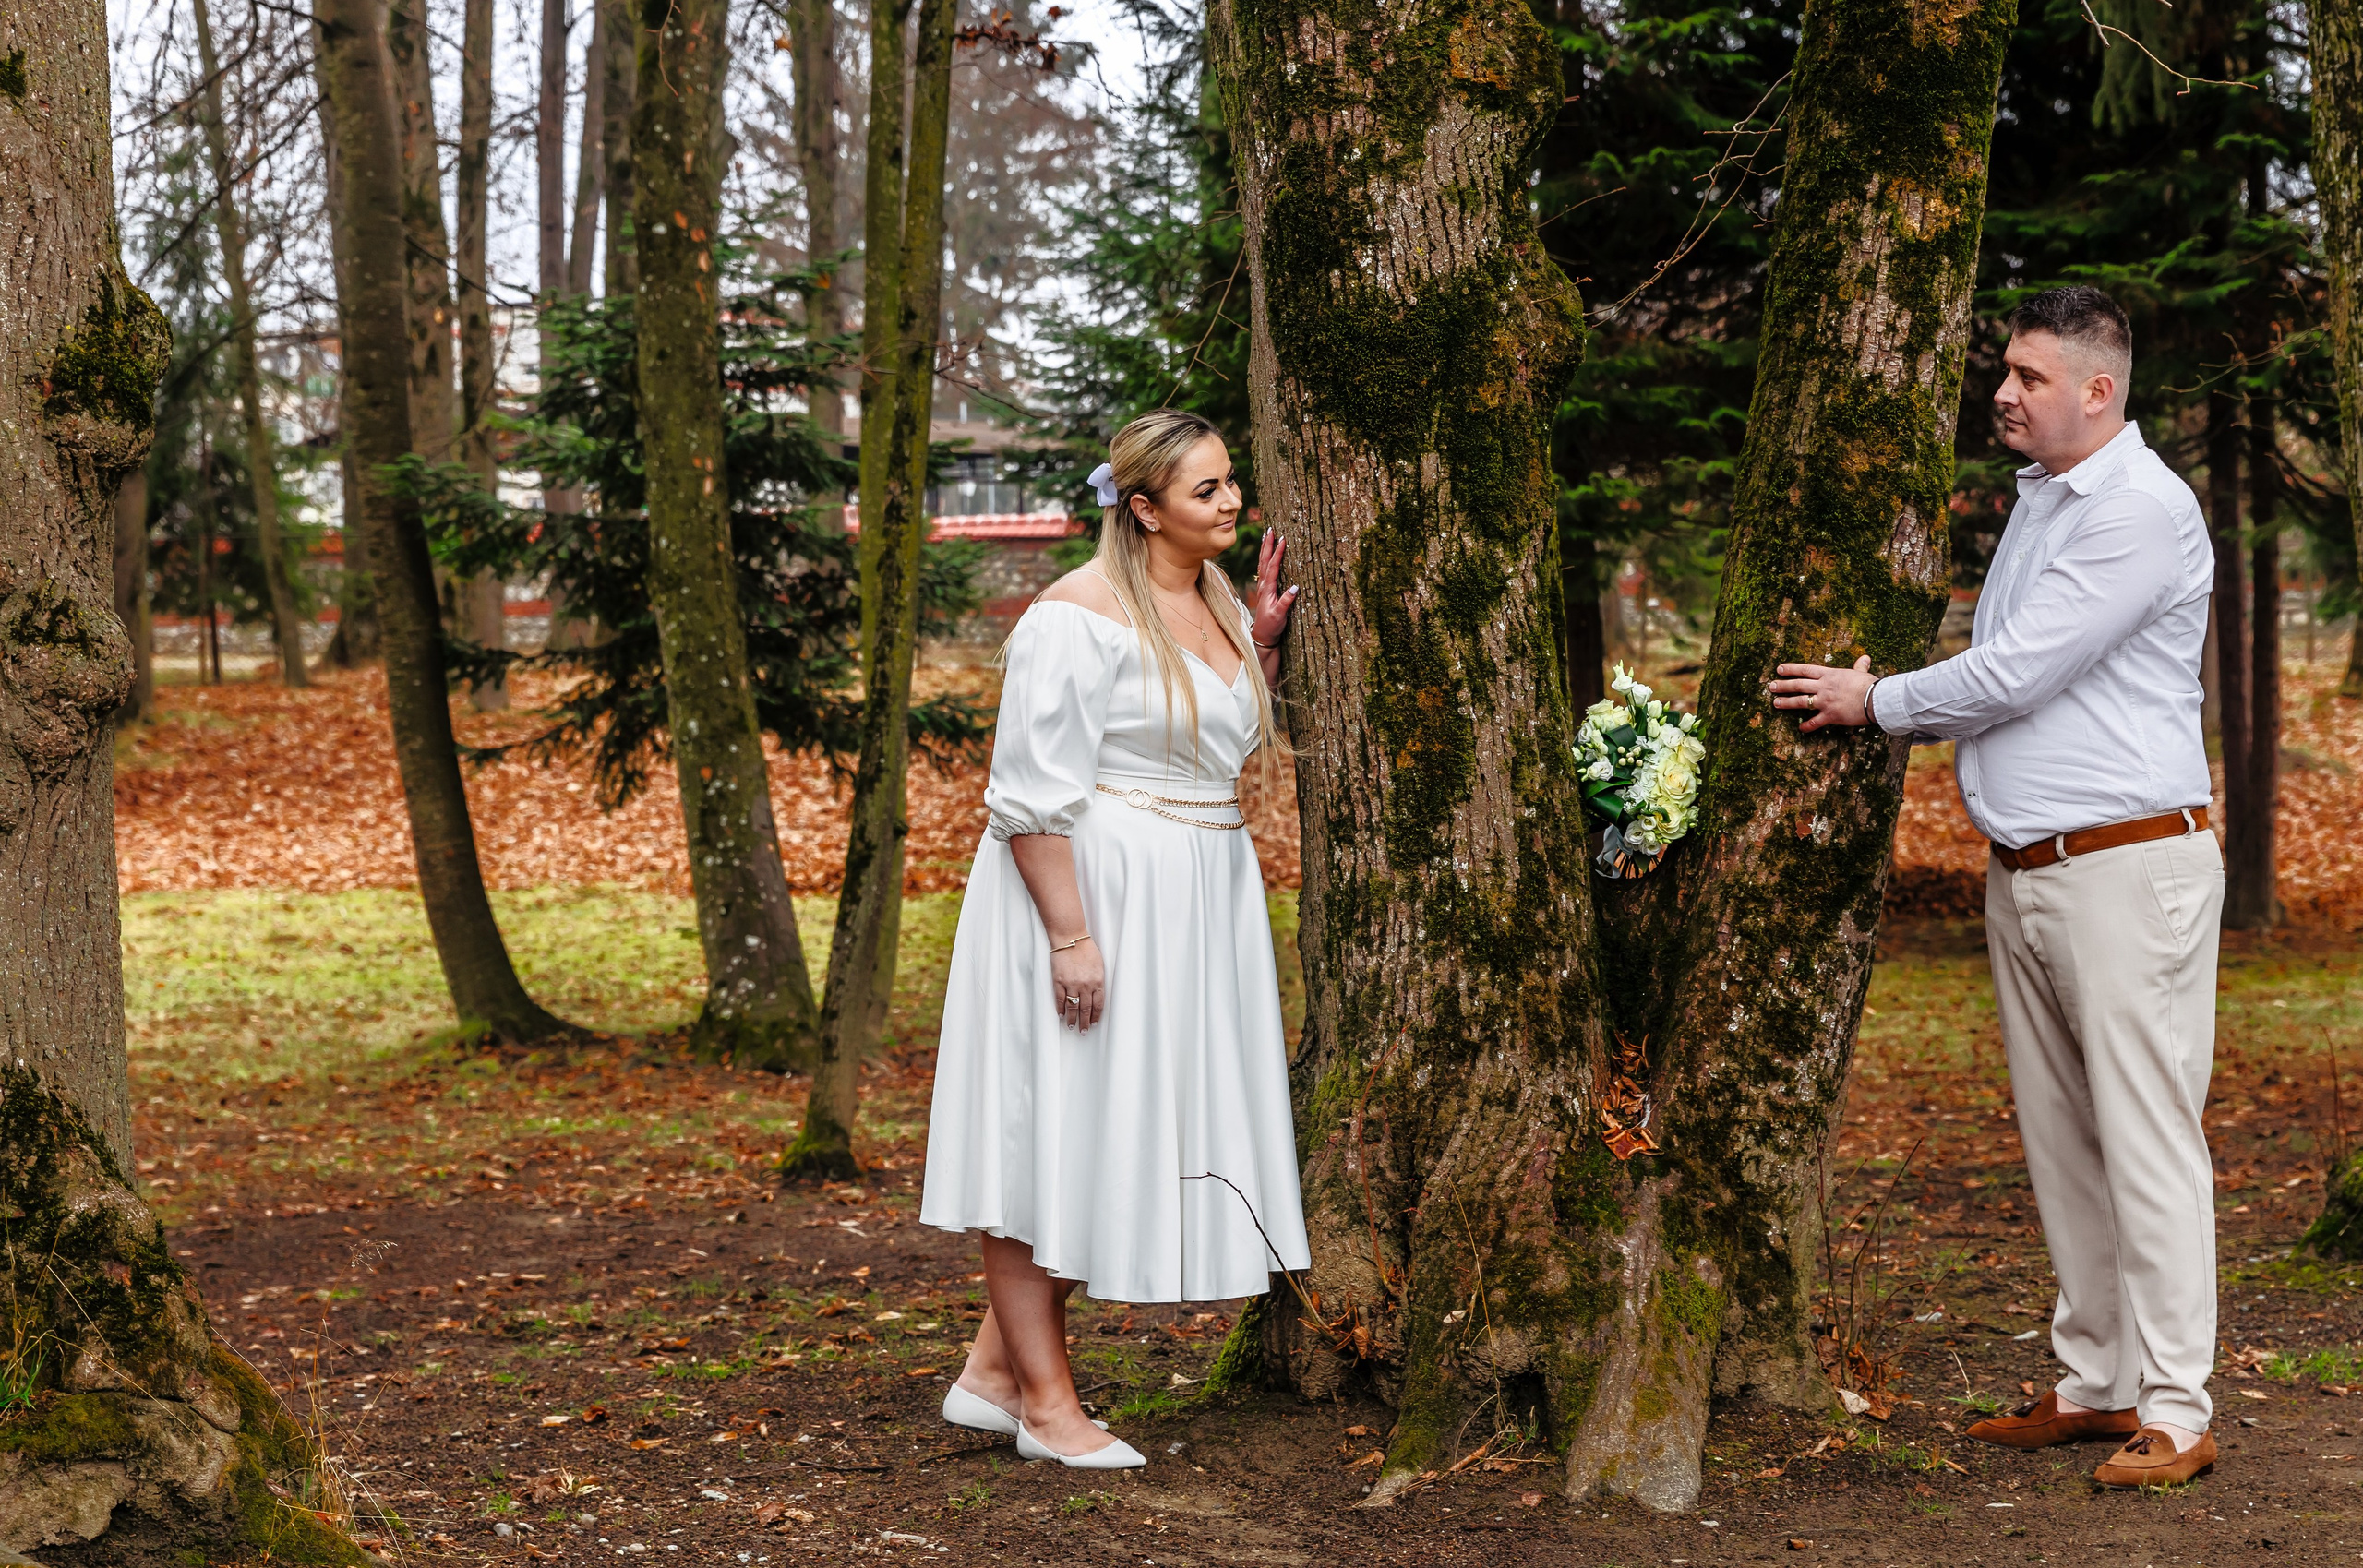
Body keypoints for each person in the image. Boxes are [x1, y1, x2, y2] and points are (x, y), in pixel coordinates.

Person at [1769, 286, 2223, 1490]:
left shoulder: (2141, 510)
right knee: (2066, 1138)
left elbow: (2022, 669)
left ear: (2098, 390)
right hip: (2033, 867)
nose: (2004, 392)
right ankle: (2096, 1380)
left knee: (2149, 1135)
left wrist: (1881, 701)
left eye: (2027, 375)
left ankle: (2177, 1408)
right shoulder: (2042, 501)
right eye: (2006, 373)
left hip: (2129, 864)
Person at [918, 408, 1313, 1470]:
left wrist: (1255, 653)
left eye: (1231, 483)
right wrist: (1069, 939)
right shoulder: (1071, 615)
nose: (1230, 503)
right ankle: (1048, 1410)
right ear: (1140, 508)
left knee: (1118, 1129)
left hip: (1198, 899)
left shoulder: (1222, 600)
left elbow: (1195, 736)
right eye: (1205, 491)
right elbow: (1027, 799)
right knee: (1047, 1138)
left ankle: (992, 1373)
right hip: (1090, 899)